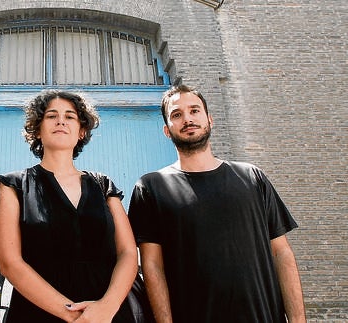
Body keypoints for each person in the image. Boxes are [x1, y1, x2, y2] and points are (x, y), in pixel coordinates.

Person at [128, 84, 306, 323]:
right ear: (166, 131)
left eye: (194, 110)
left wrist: (297, 320)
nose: (188, 119)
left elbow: (282, 253)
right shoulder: (150, 187)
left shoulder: (252, 177)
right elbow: (152, 267)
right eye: (177, 115)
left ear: (210, 119)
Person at [0, 90, 141, 322]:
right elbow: (9, 263)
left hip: (110, 314)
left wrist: (105, 309)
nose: (61, 120)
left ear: (82, 131)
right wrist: (75, 316)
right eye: (51, 116)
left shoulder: (103, 185)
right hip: (39, 314)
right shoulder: (14, 185)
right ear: (37, 130)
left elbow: (128, 253)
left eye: (70, 116)